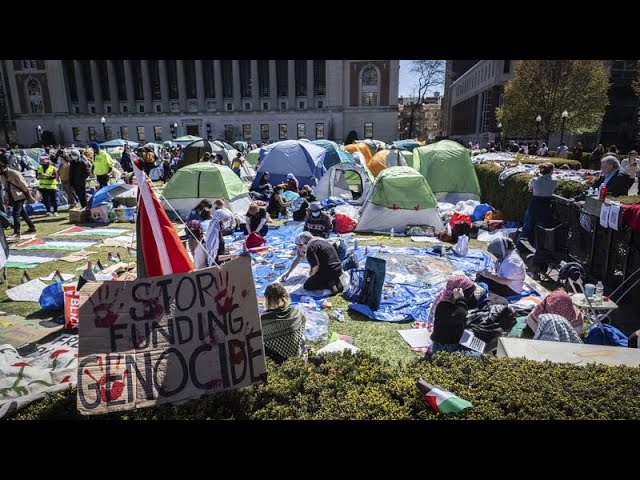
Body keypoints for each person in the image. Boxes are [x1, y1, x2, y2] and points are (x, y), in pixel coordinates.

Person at [429, 276, 482, 357]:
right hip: (446, 348)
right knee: (479, 355)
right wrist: (460, 298)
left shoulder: (443, 303)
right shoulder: (445, 307)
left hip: (442, 344)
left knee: (477, 343)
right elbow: (460, 316)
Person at [260, 283, 307, 364]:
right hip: (299, 354)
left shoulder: (263, 320)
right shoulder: (295, 312)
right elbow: (303, 324)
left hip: (280, 361)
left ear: (267, 299)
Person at [518, 162, 557, 243]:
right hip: (546, 206)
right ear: (551, 171)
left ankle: (519, 245)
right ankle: (538, 249)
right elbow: (552, 186)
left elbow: (530, 188)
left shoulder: (534, 180)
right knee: (541, 230)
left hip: (535, 204)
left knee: (527, 227)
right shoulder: (554, 181)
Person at [0, 156, 36, 239]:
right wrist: (6, 199)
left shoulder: (15, 173)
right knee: (22, 213)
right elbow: (5, 188)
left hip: (20, 195)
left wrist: (30, 197)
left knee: (15, 213)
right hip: (12, 196)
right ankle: (32, 227)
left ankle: (17, 232)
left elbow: (25, 186)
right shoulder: (2, 176)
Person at [204, 198, 234, 266]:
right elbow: (215, 257)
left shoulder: (217, 232)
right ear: (220, 221)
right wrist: (233, 256)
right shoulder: (214, 236)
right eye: (225, 220)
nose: (227, 222)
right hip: (216, 266)